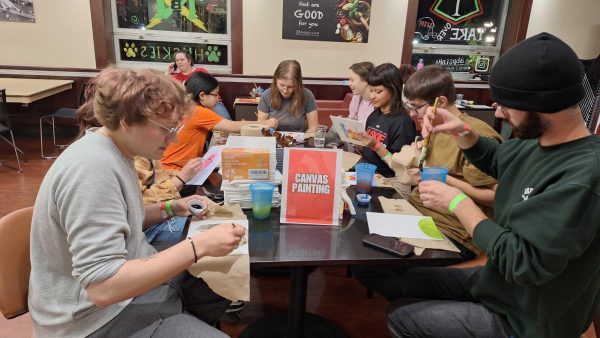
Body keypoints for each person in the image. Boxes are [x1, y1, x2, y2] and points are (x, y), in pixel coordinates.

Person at [387, 32, 600, 338]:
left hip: (528, 319)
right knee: (409, 281)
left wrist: (457, 202)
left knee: (402, 317)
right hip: (500, 286)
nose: (499, 112)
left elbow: (520, 262)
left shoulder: (584, 174)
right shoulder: (535, 141)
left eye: (507, 105)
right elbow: (499, 159)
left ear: (541, 104)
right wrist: (463, 132)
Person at [29, 67, 246, 338]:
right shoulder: (92, 168)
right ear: (125, 121)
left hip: (124, 295)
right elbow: (103, 286)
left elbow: (120, 217)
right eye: (167, 129)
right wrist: (197, 246)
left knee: (223, 284)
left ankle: (176, 317)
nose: (175, 138)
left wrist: (171, 207)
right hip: (93, 320)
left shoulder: (117, 149)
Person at [352, 65, 501, 300]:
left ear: (439, 102)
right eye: (408, 105)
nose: (411, 114)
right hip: (419, 214)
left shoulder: (475, 135)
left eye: (416, 107)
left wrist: (446, 182)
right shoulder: (433, 129)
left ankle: (415, 304)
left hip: (454, 230)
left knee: (379, 269)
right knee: (358, 252)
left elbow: (497, 196)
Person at [161, 72, 277, 170]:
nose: (218, 99)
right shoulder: (198, 111)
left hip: (166, 167)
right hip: (175, 171)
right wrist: (265, 123)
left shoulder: (184, 107)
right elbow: (234, 127)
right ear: (202, 95)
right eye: (215, 95)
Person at [357, 63, 416, 177]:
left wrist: (376, 145)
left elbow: (400, 166)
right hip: (366, 170)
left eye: (378, 92)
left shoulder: (403, 122)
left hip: (386, 178)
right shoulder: (375, 114)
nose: (372, 96)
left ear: (393, 90)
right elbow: (368, 152)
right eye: (371, 90)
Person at [166, 50, 232, 120]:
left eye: (182, 59)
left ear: (189, 61)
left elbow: (211, 88)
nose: (179, 62)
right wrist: (168, 72)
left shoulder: (200, 71)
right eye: (177, 60)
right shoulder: (175, 77)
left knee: (227, 122)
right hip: (192, 108)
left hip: (213, 102)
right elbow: (160, 86)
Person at [257, 60, 319, 132]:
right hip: (272, 140)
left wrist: (306, 137)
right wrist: (266, 124)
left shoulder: (307, 95)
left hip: (298, 141)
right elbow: (260, 127)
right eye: (281, 85)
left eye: (290, 87)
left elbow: (314, 127)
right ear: (276, 80)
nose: (285, 90)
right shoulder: (267, 95)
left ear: (297, 84)